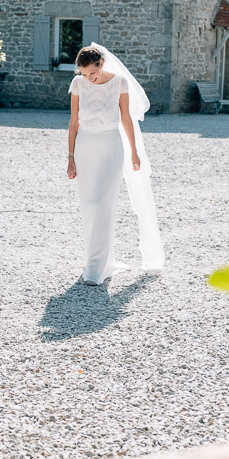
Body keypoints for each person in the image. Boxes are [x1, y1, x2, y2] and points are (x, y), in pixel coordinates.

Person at [66, 43, 164, 284]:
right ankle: (97, 260)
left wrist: (134, 152)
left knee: (103, 203)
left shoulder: (119, 82)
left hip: (111, 147)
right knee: (89, 204)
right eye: (84, 74)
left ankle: (96, 269)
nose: (88, 78)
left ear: (101, 64)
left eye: (92, 73)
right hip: (84, 148)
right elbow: (73, 122)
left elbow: (127, 119)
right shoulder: (78, 84)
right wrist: (70, 157)